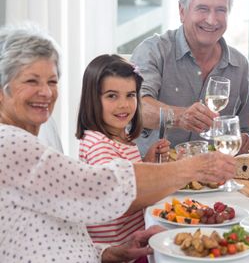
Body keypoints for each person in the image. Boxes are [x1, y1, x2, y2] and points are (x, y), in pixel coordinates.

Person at [0, 28, 236, 262]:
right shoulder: (8, 143)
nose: (46, 92)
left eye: (52, 81)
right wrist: (194, 168)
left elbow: (61, 219)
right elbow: (101, 189)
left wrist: (107, 252)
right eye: (31, 81)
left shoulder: (40, 131)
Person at [131, 0, 249, 157]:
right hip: (156, 176)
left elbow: (245, 128)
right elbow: (136, 109)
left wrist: (246, 141)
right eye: (202, 9)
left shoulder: (240, 66)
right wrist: (180, 117)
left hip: (213, 180)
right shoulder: (153, 51)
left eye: (220, 10)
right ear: (182, 11)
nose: (212, 20)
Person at [76, 54, 171, 260]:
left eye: (130, 95)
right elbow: (120, 201)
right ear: (93, 99)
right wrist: (167, 176)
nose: (124, 105)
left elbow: (126, 179)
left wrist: (146, 162)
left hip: (133, 241)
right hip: (118, 252)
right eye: (112, 96)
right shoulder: (97, 145)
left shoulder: (121, 137)